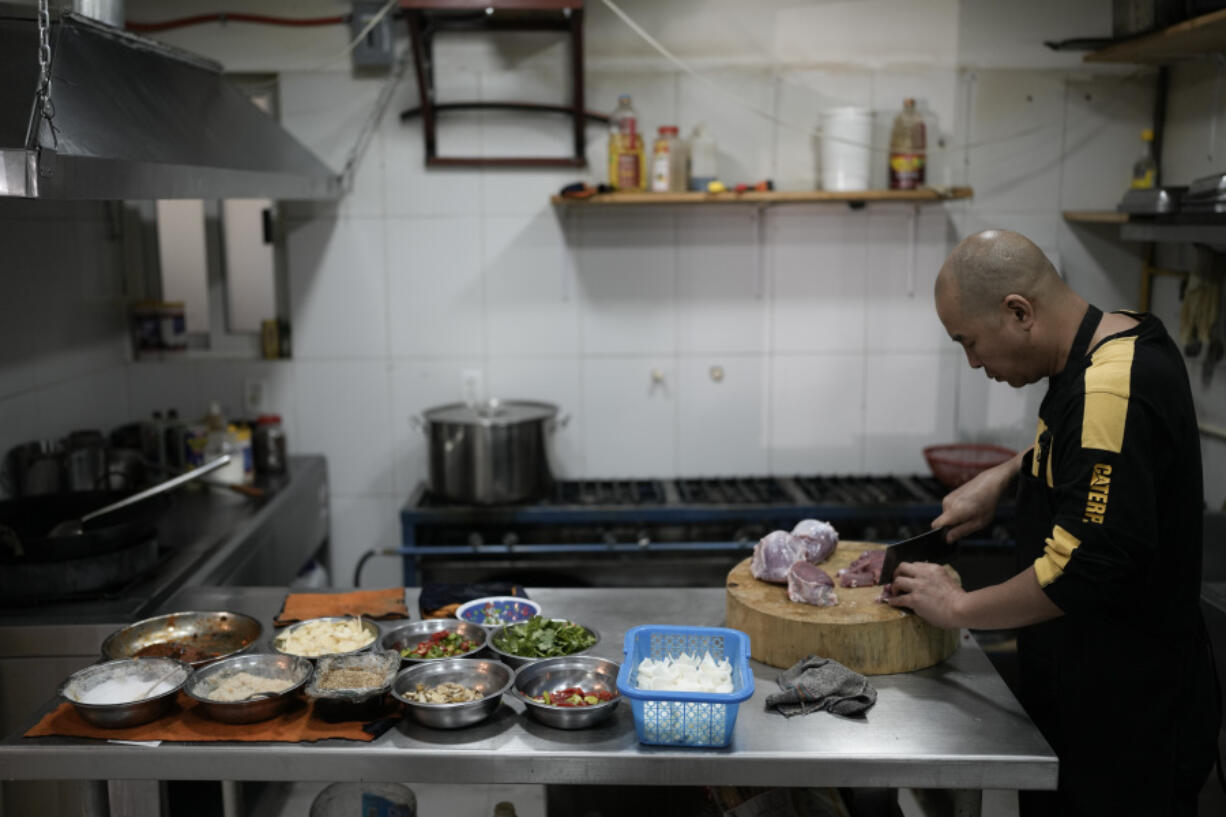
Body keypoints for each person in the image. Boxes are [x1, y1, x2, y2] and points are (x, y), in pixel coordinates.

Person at [885, 229, 1220, 816]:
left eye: (970, 341)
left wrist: (958, 608)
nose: (973, 361)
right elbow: (1093, 451)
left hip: (1126, 725)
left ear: (1019, 312)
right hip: (1083, 701)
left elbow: (1082, 569)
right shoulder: (1114, 339)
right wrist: (1011, 474)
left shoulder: (1113, 386)